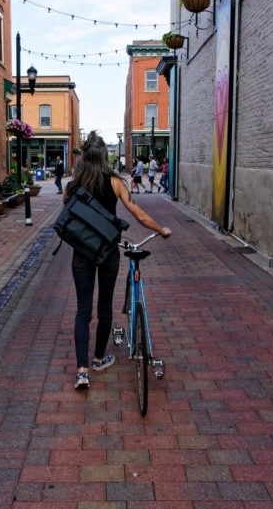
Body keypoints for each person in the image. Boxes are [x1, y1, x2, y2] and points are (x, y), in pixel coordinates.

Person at [64, 131, 172, 389]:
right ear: (104, 157)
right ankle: (99, 359)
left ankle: (82, 371)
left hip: (82, 253)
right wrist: (161, 230)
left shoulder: (72, 185)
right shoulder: (115, 182)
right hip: (107, 252)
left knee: (82, 310)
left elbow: (68, 220)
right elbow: (139, 215)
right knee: (104, 309)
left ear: (84, 156)